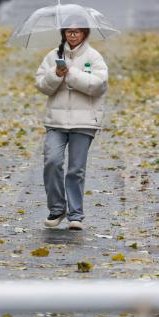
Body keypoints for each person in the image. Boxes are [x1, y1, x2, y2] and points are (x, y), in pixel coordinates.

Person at [34, 19, 109, 230]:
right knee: (52, 161)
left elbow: (98, 85)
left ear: (84, 33)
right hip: (56, 122)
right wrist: (55, 75)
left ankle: (76, 214)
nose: (72, 35)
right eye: (69, 31)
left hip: (84, 122)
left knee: (76, 169)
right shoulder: (53, 56)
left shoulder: (94, 57)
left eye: (76, 32)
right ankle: (57, 208)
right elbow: (41, 85)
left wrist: (71, 74)